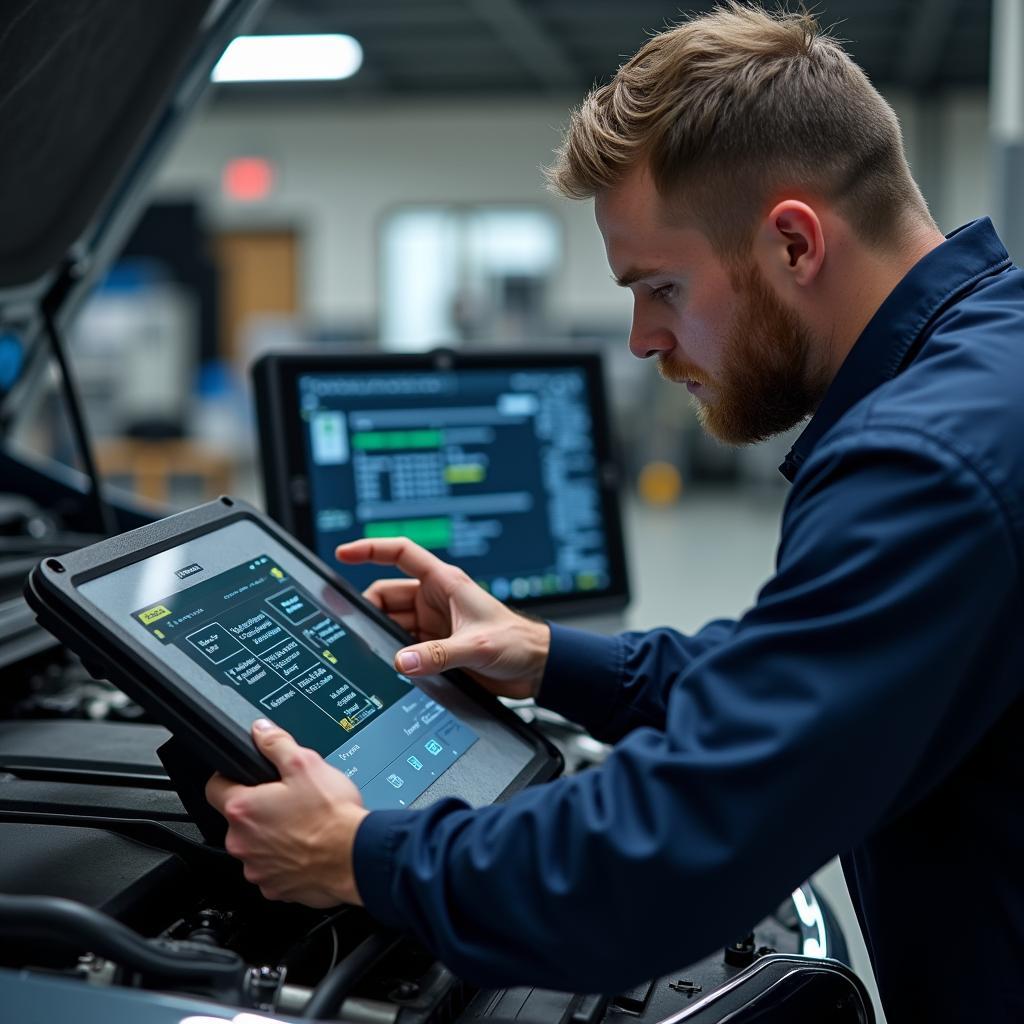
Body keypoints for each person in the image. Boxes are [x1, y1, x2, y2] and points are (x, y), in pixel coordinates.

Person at [206, 4, 1024, 1020]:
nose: (642, 338)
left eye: (661, 289)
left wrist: (360, 853)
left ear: (793, 244)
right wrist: (546, 654)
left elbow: (678, 851)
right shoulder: (989, 363)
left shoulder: (924, 461)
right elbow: (804, 671)